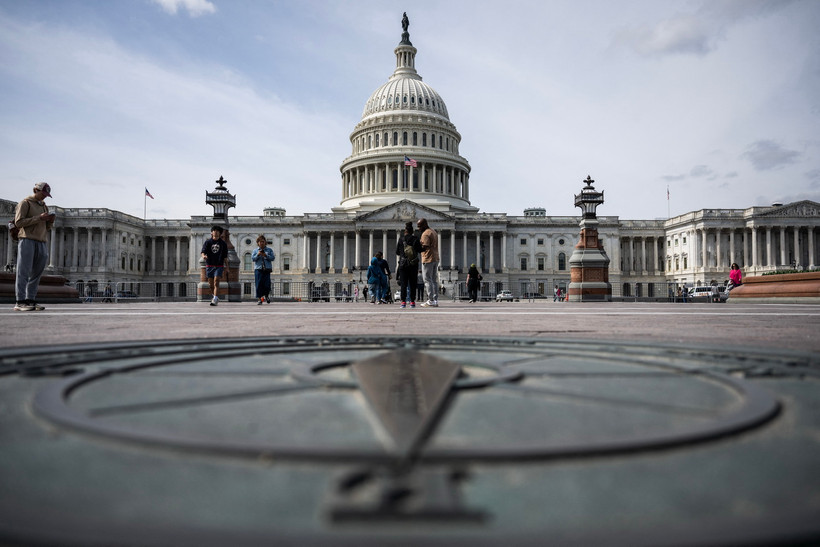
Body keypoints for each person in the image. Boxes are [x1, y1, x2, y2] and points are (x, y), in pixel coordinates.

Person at [13, 182, 55, 311]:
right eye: (43, 194)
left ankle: (30, 299)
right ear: (35, 190)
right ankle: (20, 301)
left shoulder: (44, 206)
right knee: (23, 272)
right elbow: (18, 222)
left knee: (37, 273)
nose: (44, 197)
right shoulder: (25, 203)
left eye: (46, 195)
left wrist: (49, 222)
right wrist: (38, 218)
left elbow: (46, 227)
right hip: (27, 240)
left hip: (41, 241)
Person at [395, 221, 422, 308]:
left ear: (405, 230)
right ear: (412, 231)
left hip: (403, 264)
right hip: (413, 264)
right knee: (413, 283)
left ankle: (403, 302)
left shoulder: (401, 239)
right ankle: (412, 302)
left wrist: (403, 253)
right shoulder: (415, 239)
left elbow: (397, 252)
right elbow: (420, 250)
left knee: (404, 283)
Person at [201, 225, 229, 306]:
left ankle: (215, 299)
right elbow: (203, 252)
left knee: (216, 281)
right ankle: (215, 296)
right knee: (211, 284)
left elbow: (225, 257)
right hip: (209, 265)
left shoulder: (223, 244)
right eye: (214, 230)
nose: (216, 232)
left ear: (220, 233)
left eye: (217, 231)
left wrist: (227, 267)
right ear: (211, 232)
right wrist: (204, 256)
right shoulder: (208, 242)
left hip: (219, 265)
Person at [417, 218, 439, 307]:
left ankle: (430, 300)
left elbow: (425, 246)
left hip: (428, 258)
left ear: (424, 225)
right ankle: (435, 300)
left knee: (427, 279)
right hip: (435, 257)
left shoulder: (425, 234)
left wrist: (417, 247)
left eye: (419, 226)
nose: (418, 228)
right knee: (434, 280)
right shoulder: (433, 231)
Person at [252, 234, 275, 305]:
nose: (261, 243)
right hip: (258, 269)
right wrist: (258, 255)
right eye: (260, 241)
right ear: (258, 243)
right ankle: (259, 299)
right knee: (258, 284)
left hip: (267, 269)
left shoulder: (269, 250)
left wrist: (266, 255)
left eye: (263, 241)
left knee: (267, 284)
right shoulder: (255, 251)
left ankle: (267, 296)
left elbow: (272, 258)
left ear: (265, 242)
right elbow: (253, 259)